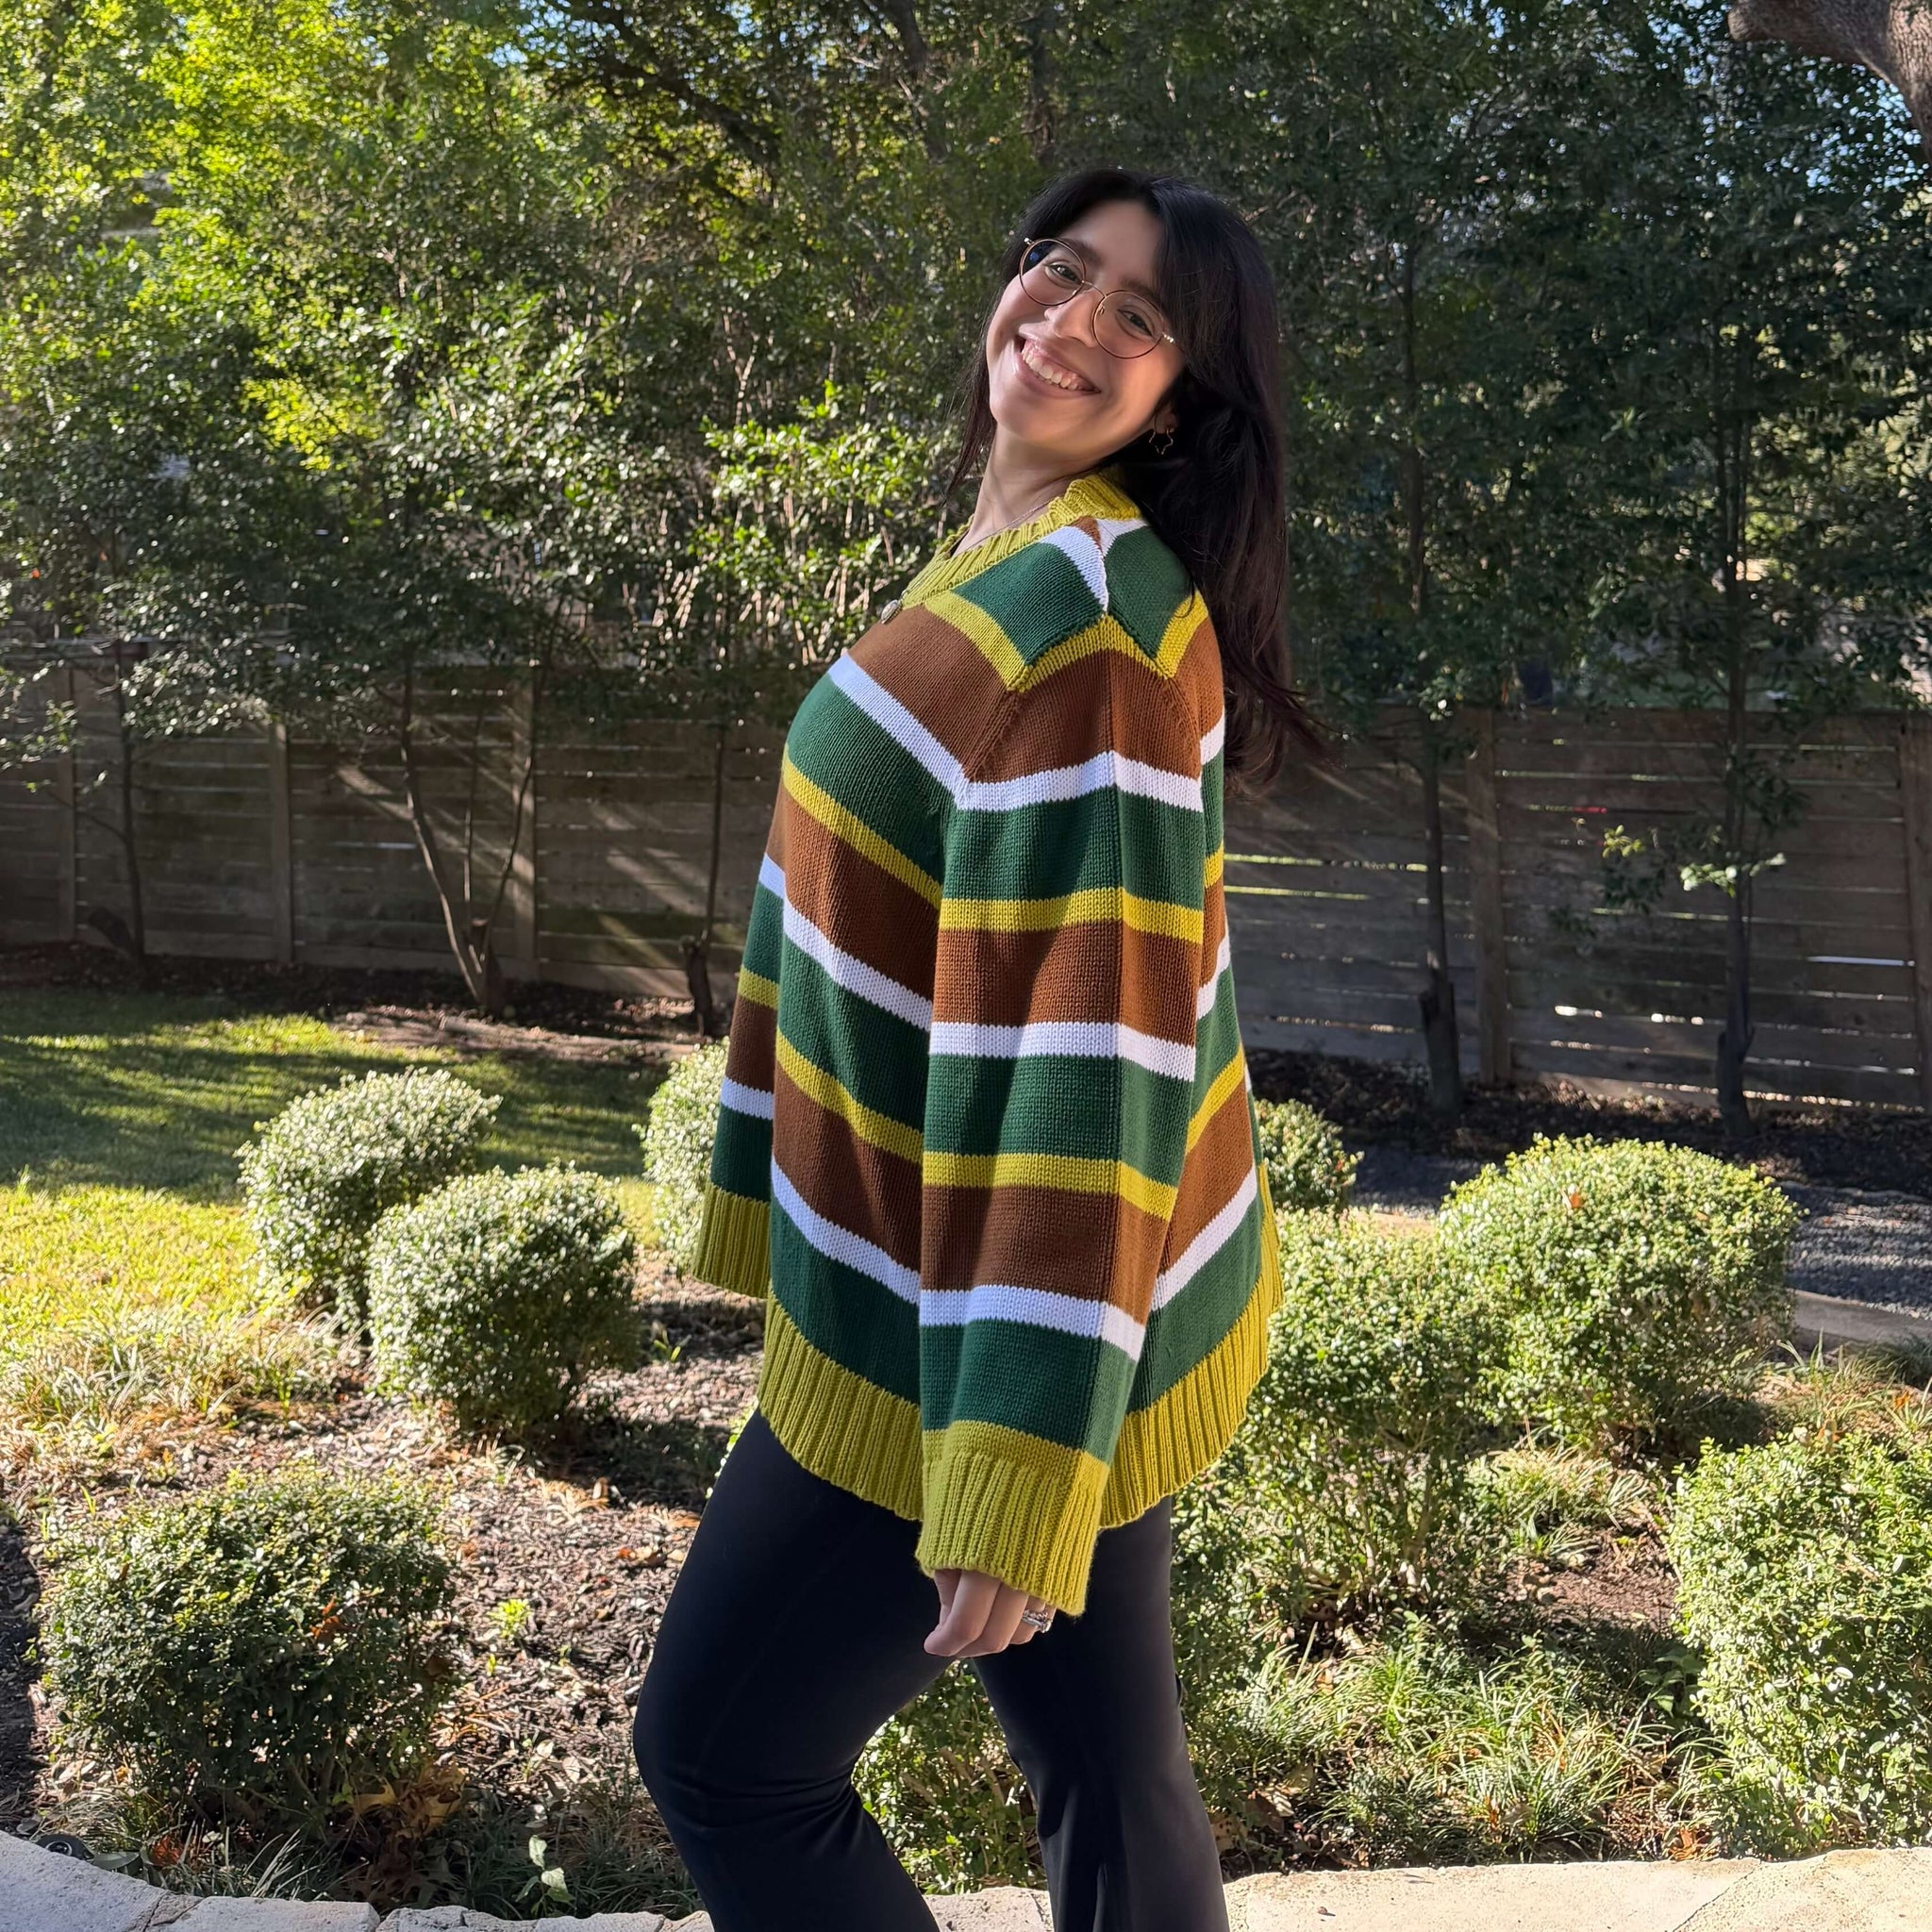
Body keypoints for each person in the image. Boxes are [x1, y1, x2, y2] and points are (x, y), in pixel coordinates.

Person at [633, 164, 1319, 1932]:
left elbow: (1092, 1053)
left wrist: (1014, 1450)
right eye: (1060, 270)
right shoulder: (1012, 561)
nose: (1073, 320)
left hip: (983, 1332)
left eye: (1139, 315)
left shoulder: (1086, 634)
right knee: (1104, 1766)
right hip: (1058, 1305)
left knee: (725, 1757)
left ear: (1183, 399)